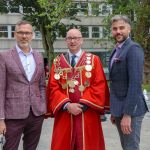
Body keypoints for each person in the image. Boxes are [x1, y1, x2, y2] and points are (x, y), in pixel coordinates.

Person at [47, 28, 110, 150]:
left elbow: (99, 85)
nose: (72, 41)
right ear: (66, 41)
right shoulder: (58, 62)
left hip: (88, 113)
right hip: (65, 114)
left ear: (81, 40)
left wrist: (83, 105)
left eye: (76, 38)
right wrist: (67, 105)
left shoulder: (94, 60)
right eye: (70, 38)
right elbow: (53, 87)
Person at [0, 20, 46, 150]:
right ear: (15, 34)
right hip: (12, 114)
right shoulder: (4, 56)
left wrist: (43, 105)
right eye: (21, 32)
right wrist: (1, 119)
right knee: (9, 147)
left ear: (32, 35)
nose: (24, 36)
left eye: (27, 33)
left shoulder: (38, 56)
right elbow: (0, 89)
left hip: (36, 114)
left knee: (31, 147)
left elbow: (42, 84)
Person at [109, 15, 149, 150]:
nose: (118, 31)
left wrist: (127, 114)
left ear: (129, 29)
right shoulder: (117, 49)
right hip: (120, 109)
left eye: (121, 28)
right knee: (126, 147)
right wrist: (115, 111)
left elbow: (135, 84)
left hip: (132, 110)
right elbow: (116, 82)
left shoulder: (133, 48)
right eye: (115, 29)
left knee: (131, 147)